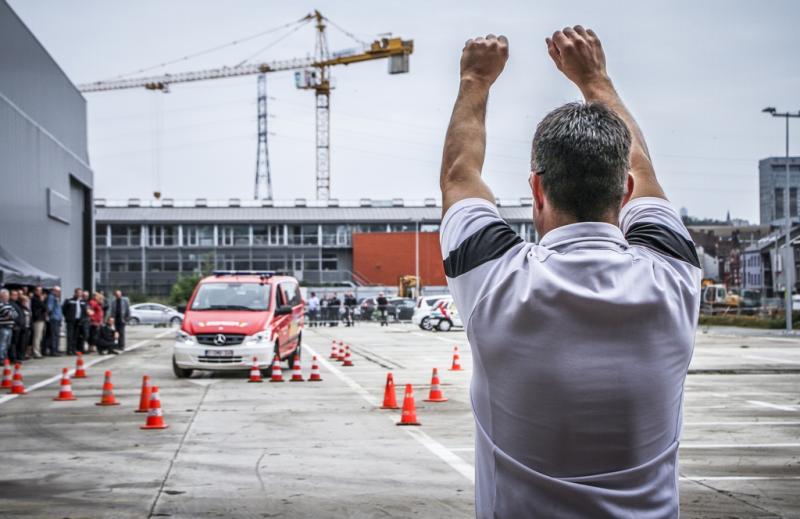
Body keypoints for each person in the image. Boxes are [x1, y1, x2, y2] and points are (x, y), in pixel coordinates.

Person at [438, 29, 700, 517]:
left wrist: (475, 78)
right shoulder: (674, 275)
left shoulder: (494, 277)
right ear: (623, 192)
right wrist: (595, 80)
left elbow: (459, 175)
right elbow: (645, 173)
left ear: (537, 190)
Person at [62, 287, 86, 355]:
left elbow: (84, 311)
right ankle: (69, 350)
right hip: (71, 321)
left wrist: (82, 319)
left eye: (81, 293)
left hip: (78, 321)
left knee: (76, 336)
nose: (79, 294)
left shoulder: (83, 301)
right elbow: (64, 309)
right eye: (78, 293)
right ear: (75, 293)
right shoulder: (69, 300)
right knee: (70, 335)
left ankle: (74, 349)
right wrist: (67, 317)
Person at [0, 289, 18, 363]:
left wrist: (10, 315)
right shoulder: (1, 304)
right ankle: (1, 359)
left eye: (7, 296)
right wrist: (10, 314)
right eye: (6, 296)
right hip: (3, 327)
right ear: (1, 296)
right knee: (2, 344)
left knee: (8, 344)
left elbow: (16, 314)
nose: (7, 297)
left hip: (9, 327)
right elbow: (7, 313)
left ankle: (5, 358)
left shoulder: (8, 304)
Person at [8, 289, 25, 362]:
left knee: (16, 343)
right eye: (14, 295)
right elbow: (12, 315)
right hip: (15, 326)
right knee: (13, 343)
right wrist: (15, 325)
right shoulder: (10, 303)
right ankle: (13, 357)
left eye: (16, 295)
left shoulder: (17, 303)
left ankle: (16, 356)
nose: (16, 296)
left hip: (19, 327)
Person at [45, 286, 63, 356]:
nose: (59, 293)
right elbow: (49, 307)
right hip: (54, 318)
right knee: (54, 335)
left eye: (59, 291)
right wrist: (49, 314)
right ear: (54, 291)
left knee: (57, 335)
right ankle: (53, 350)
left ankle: (56, 349)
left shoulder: (57, 298)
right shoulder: (51, 297)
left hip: (58, 318)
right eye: (57, 291)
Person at [30, 286, 47, 358]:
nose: (40, 292)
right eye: (38, 290)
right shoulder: (34, 299)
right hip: (37, 319)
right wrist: (42, 300)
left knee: (40, 336)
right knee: (37, 336)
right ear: (35, 291)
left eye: (41, 290)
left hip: (41, 319)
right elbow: (44, 307)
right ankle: (36, 352)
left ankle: (38, 350)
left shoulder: (38, 298)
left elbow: (45, 308)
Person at [18, 294, 32, 360]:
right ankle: (20, 355)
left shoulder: (26, 308)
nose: (26, 302)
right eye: (24, 301)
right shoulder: (20, 308)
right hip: (23, 327)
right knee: (22, 343)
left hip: (27, 326)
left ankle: (24, 354)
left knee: (26, 342)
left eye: (26, 301)